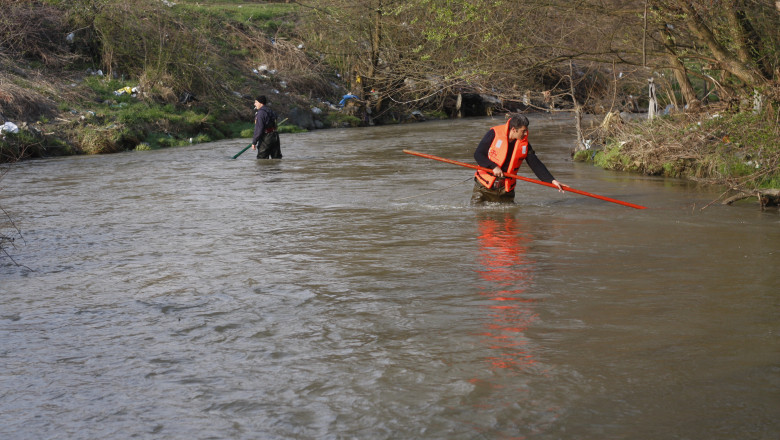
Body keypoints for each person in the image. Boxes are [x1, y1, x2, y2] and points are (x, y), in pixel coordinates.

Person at [472, 114, 564, 204]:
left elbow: (535, 164)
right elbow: (478, 154)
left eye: (526, 130)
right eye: (523, 131)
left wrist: (552, 180)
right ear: (513, 129)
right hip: (484, 188)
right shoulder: (494, 133)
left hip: (506, 191)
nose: (526, 133)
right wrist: (493, 167)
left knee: (508, 218)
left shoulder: (524, 143)